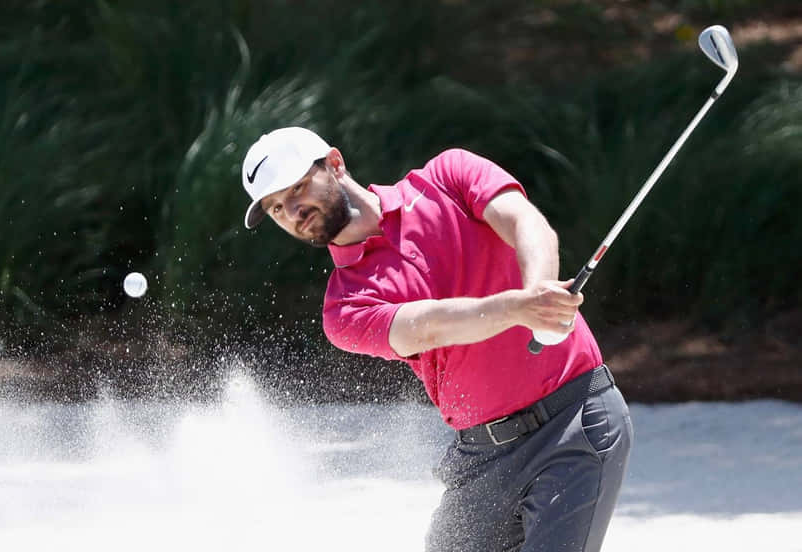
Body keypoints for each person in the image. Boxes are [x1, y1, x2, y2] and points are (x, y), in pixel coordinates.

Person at [240, 127, 633, 552]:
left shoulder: (447, 175)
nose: (293, 211)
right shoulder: (344, 307)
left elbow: (524, 222)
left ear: (335, 164)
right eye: (277, 208)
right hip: (480, 458)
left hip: (572, 421)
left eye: (297, 188)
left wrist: (540, 296)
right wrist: (519, 307)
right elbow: (427, 326)